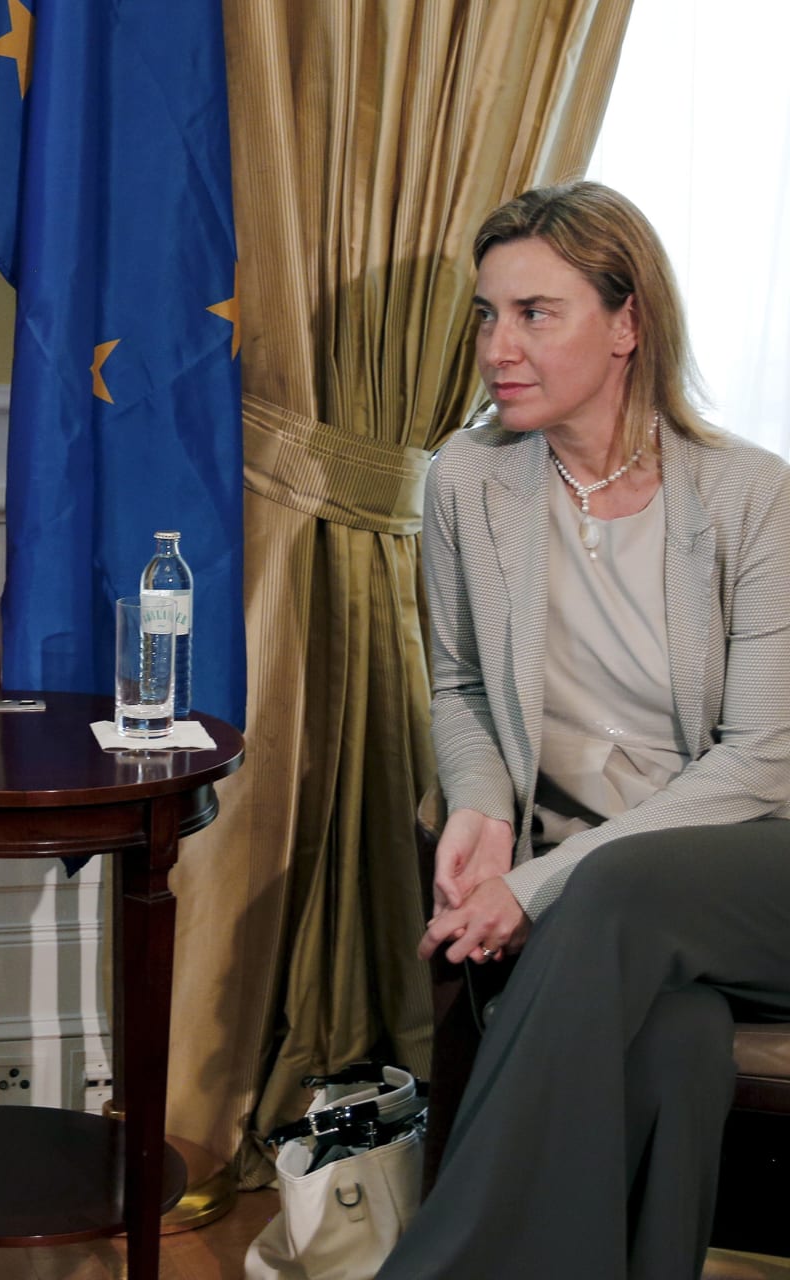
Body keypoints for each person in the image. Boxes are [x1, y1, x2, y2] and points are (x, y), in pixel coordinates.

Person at [373, 181, 790, 1278]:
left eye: (534, 312)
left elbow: (759, 763)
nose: (497, 346)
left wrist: (540, 886)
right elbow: (459, 686)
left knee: (610, 890)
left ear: (628, 322)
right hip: (616, 909)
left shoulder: (752, 495)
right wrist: (477, 806)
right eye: (484, 313)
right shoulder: (471, 479)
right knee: (678, 1048)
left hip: (756, 868)